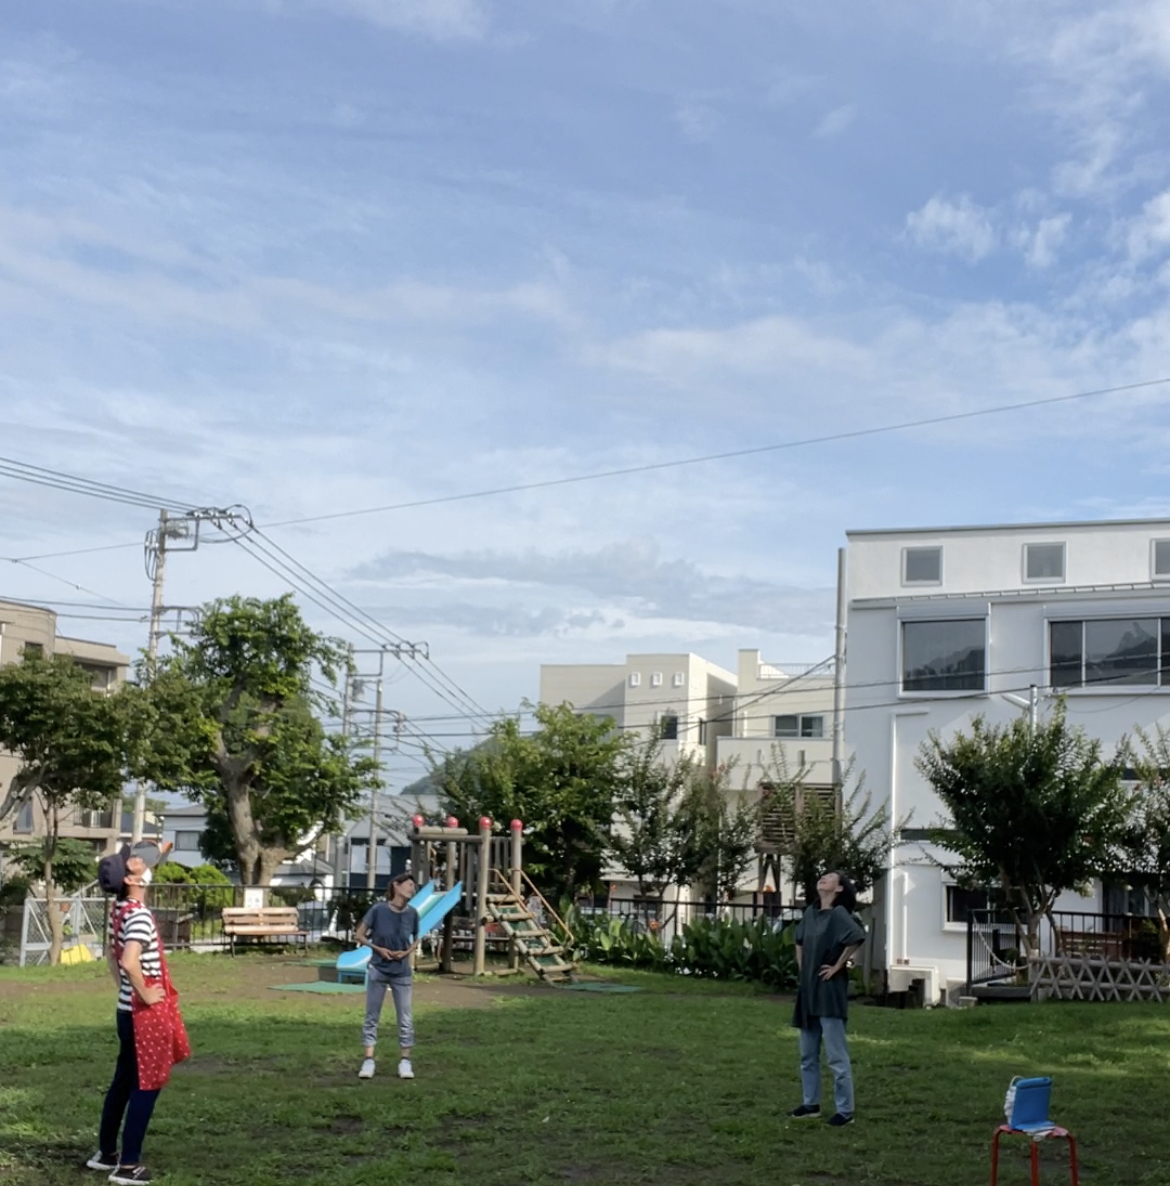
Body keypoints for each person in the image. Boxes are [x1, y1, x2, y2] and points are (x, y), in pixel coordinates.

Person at [89, 841, 187, 1185]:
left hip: (126, 1010)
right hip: (144, 1014)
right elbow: (130, 961)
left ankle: (106, 1154)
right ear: (132, 879)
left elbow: (112, 958)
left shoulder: (121, 909)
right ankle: (129, 1166)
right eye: (132, 861)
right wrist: (144, 992)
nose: (139, 862)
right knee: (147, 1084)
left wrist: (126, 989)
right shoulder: (140, 916)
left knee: (124, 1080)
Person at [788, 870, 866, 1127]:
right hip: (808, 990)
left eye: (830, 877)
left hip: (829, 992)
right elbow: (799, 939)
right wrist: (803, 969)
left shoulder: (839, 914)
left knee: (836, 1056)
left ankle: (845, 1110)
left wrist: (837, 966)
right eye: (821, 876)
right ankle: (810, 1104)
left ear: (840, 888)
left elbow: (856, 937)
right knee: (807, 1054)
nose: (822, 878)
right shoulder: (811, 913)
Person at [355, 871, 420, 1081]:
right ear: (396, 886)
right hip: (378, 969)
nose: (412, 889)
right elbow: (359, 935)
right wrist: (378, 949)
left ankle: (405, 1061)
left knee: (405, 1018)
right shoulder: (378, 910)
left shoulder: (413, 913)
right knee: (372, 1016)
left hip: (402, 972)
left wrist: (406, 952)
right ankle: (368, 1060)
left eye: (413, 886)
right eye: (409, 885)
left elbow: (417, 939)